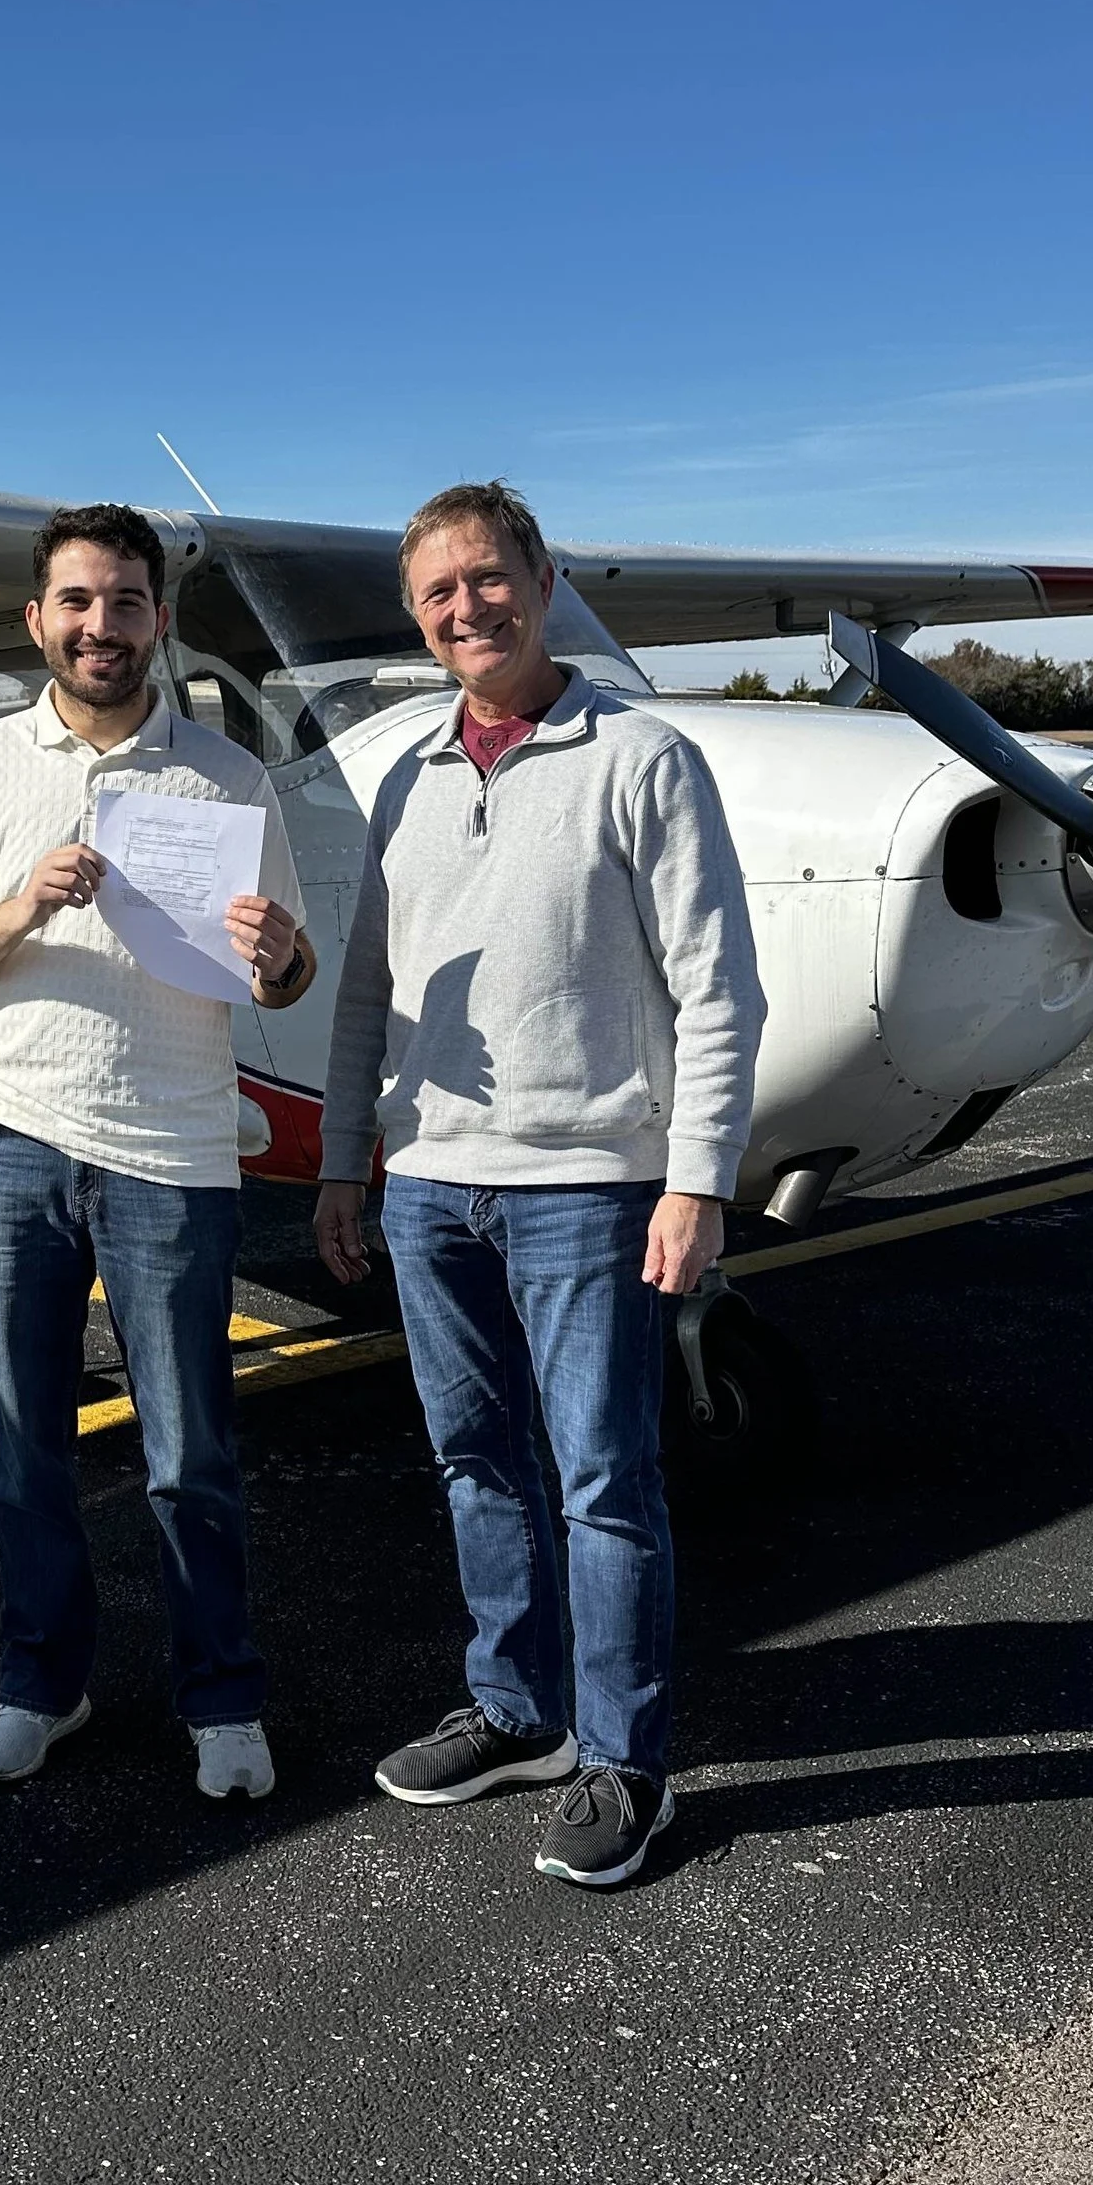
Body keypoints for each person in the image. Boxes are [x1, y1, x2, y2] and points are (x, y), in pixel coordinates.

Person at [314, 481, 763, 1888]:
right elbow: (369, 998)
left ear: (543, 575)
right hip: (428, 1182)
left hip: (588, 1187)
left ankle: (628, 1760)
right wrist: (344, 1157)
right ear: (417, 613)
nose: (468, 607)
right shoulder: (407, 779)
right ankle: (516, 1712)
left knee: (606, 1483)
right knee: (471, 1462)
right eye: (439, 591)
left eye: (489, 578)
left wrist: (696, 1182)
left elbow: (717, 989)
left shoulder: (645, 757)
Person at [0, 503, 317, 1801]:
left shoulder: (228, 777)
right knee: (28, 1446)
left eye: (126, 601)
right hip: (12, 1141)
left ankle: (223, 1698)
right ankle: (41, 1683)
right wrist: (23, 902)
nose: (101, 625)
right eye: (76, 602)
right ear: (38, 621)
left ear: (160, 620)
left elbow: (289, 974)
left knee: (189, 1452)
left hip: (174, 1155)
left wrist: (278, 956)